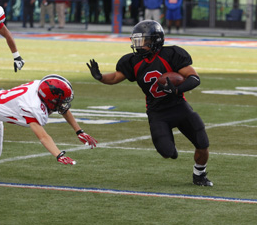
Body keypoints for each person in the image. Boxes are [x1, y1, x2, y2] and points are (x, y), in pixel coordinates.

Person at [87, 20, 213, 187]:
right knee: (167, 153)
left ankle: (199, 174)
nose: (139, 45)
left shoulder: (172, 54)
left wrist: (176, 89)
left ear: (156, 40)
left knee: (202, 143)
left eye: (144, 41)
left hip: (178, 106)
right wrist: (100, 77)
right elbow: (116, 77)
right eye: (137, 41)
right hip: (157, 112)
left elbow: (194, 78)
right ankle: (172, 151)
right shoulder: (132, 61)